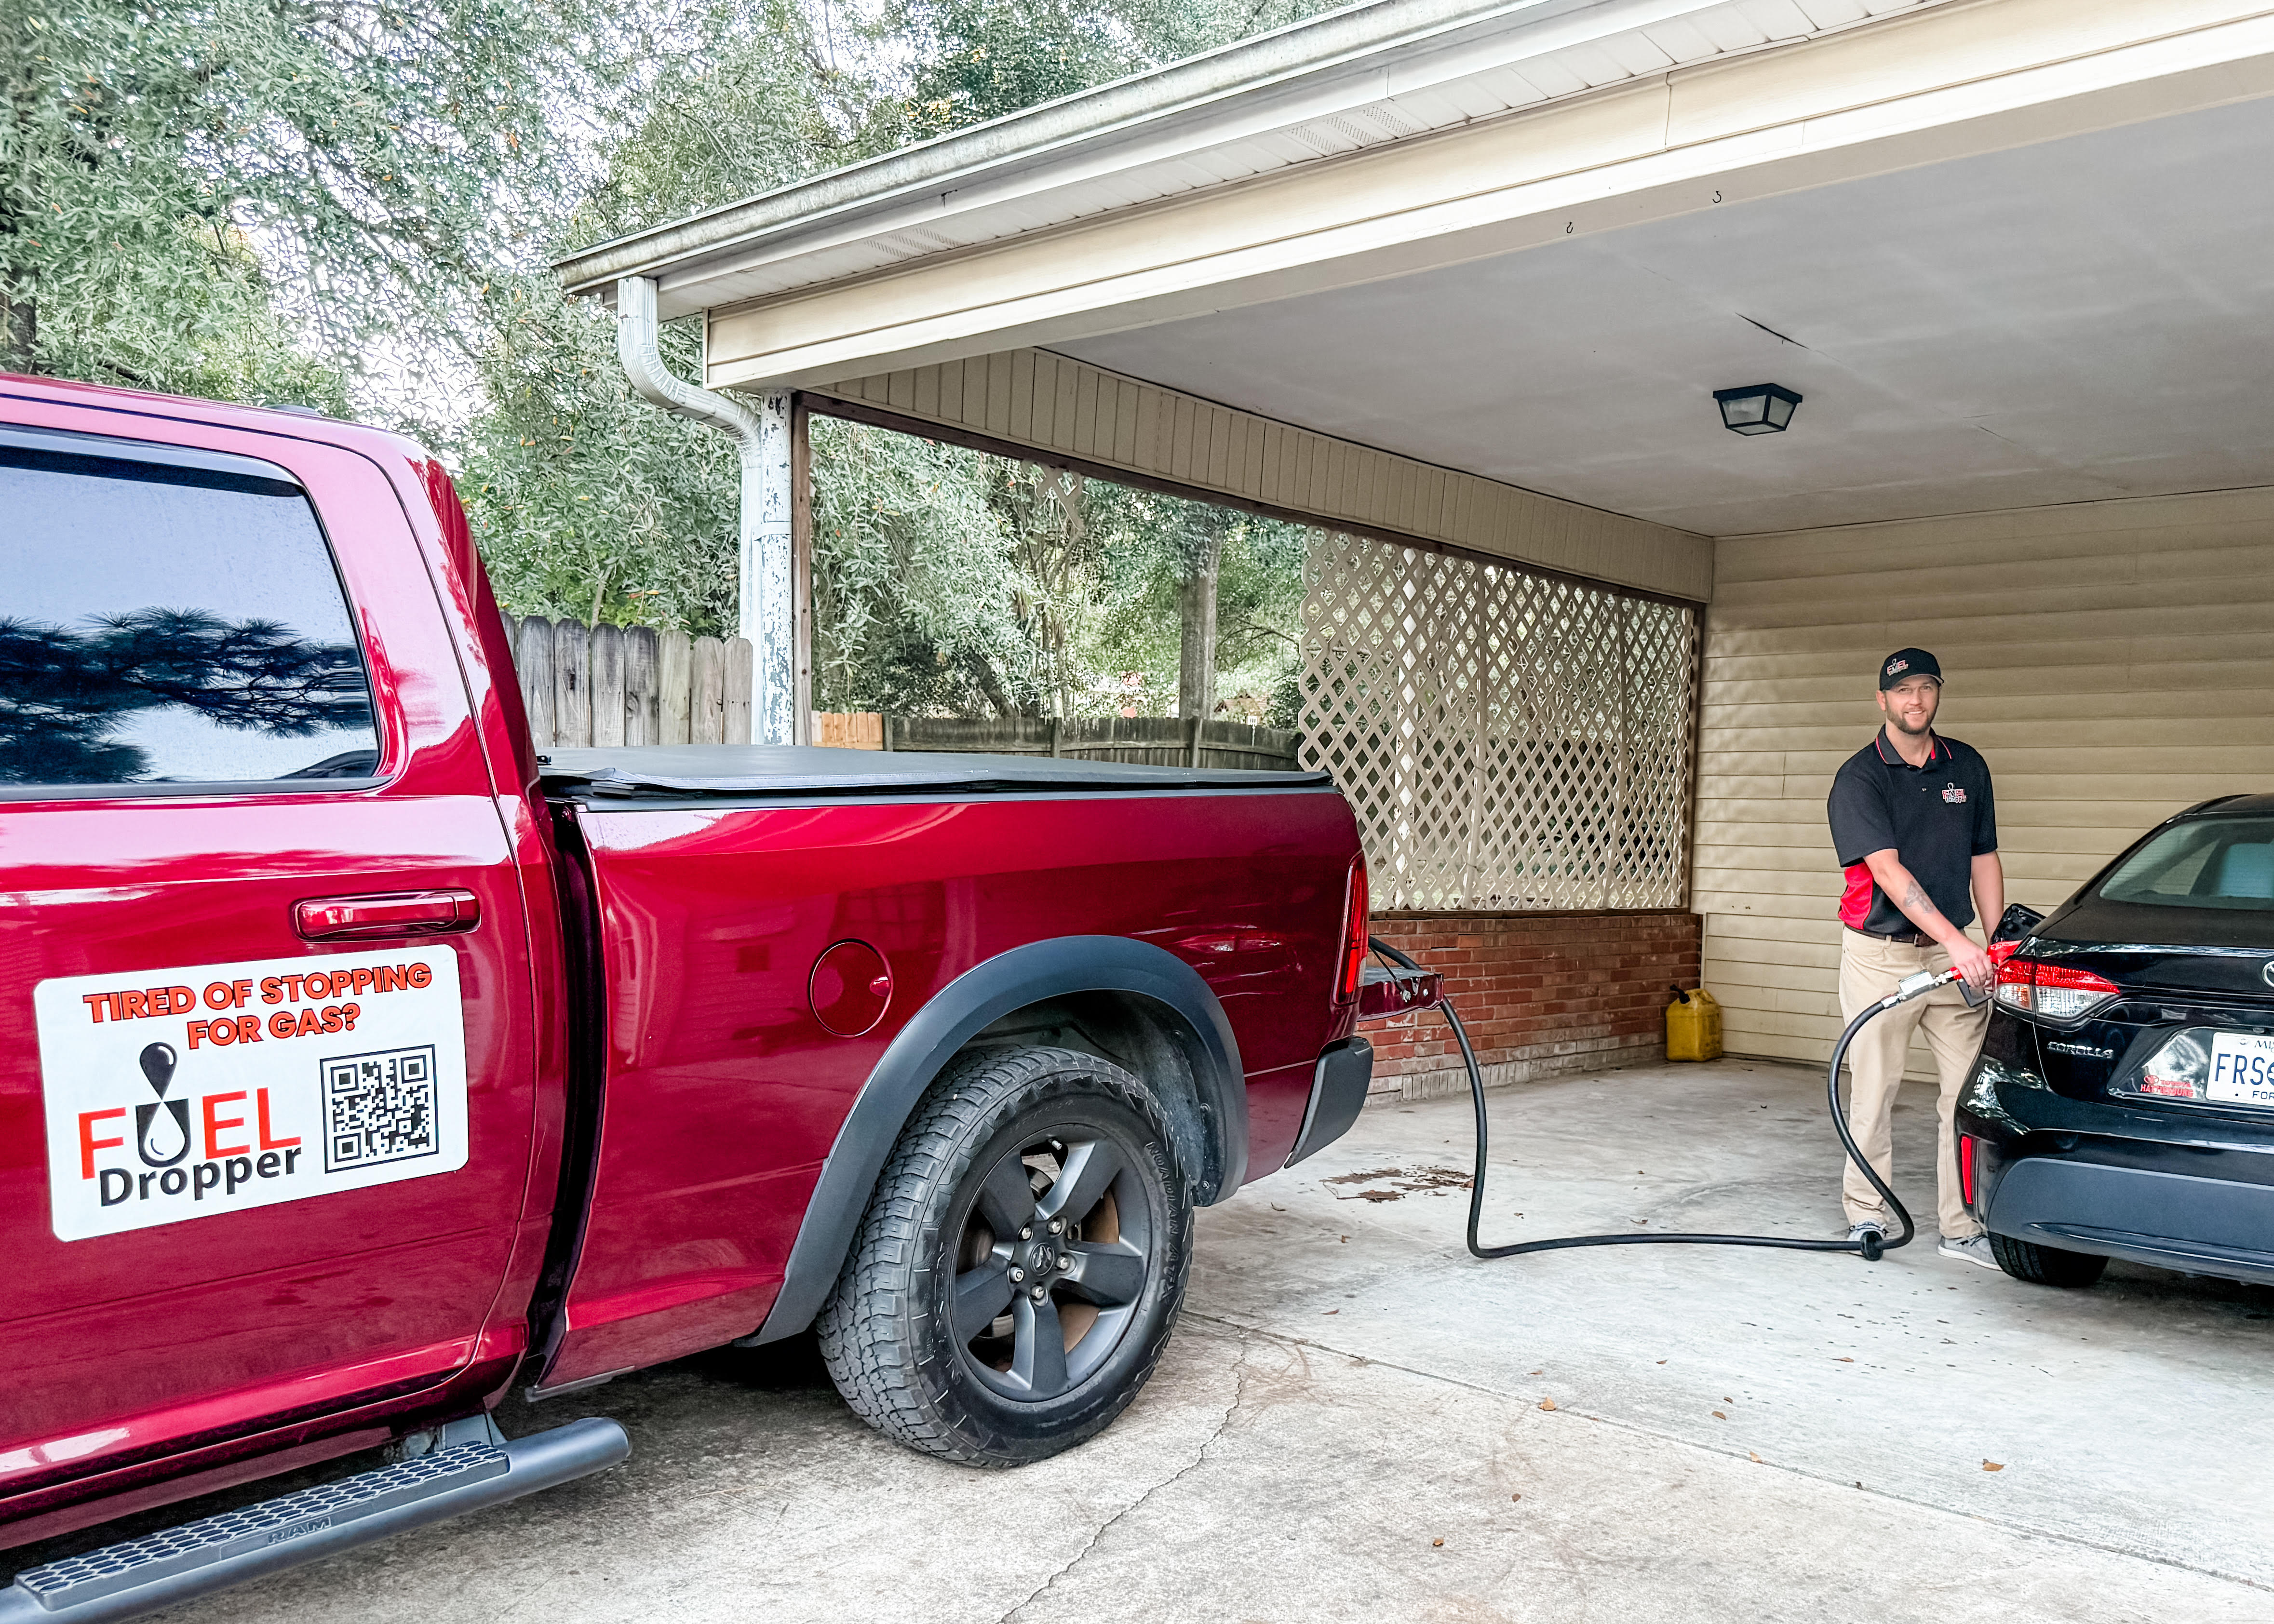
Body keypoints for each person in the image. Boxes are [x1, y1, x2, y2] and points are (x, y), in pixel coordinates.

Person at [1825, 648, 2003, 1268]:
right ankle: (1866, 1215)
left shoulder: (1966, 766)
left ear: (1937, 693)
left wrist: (1994, 941)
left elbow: (1983, 856)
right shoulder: (1860, 778)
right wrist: (1959, 942)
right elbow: (1888, 873)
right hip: (1882, 957)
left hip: (1953, 960)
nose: (1916, 700)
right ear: (1882, 699)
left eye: (1926, 687)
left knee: (1968, 1092)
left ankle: (1961, 1226)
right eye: (1903, 690)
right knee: (1874, 1092)